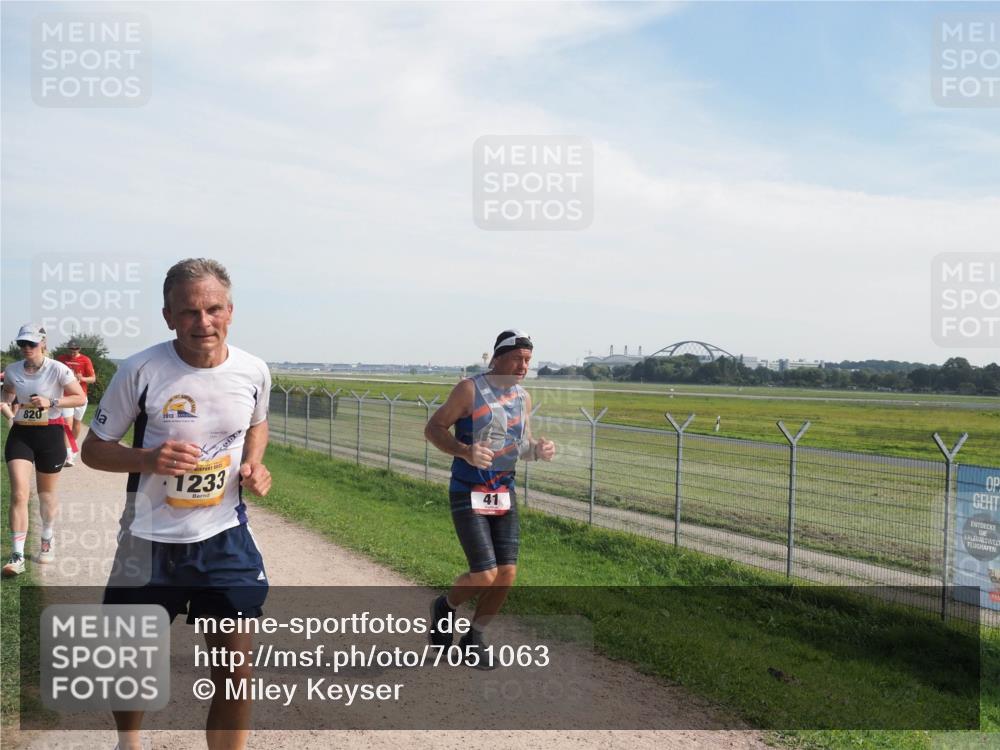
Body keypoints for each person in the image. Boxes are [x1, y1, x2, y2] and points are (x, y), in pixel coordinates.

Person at [81, 258, 272, 750]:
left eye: (213, 309)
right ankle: (130, 743)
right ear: (168, 316)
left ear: (230, 311)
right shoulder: (141, 370)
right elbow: (94, 449)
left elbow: (256, 423)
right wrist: (148, 457)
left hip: (224, 539)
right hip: (147, 541)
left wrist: (253, 464)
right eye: (188, 312)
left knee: (235, 669)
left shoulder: (253, 370)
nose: (202, 322)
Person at [423, 329, 555, 668]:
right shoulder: (470, 390)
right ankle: (446, 607)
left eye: (528, 359)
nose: (524, 365)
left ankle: (474, 637)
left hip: (503, 491)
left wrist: (537, 451)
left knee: (507, 574)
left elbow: (518, 446)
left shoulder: (522, 398)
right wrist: (465, 451)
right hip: (469, 490)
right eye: (517, 358)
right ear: (497, 357)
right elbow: (434, 429)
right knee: (484, 575)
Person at [2, 324, 86, 576]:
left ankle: (47, 538)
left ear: (43, 344)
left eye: (31, 344)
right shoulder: (13, 369)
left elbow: (80, 398)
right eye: (21, 344)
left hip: (50, 434)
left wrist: (53, 401)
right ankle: (17, 556)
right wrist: (8, 410)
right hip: (21, 435)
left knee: (46, 495)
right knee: (19, 493)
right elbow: (7, 393)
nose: (26, 348)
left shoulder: (58, 369)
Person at [56, 338, 96, 466]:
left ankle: (72, 448)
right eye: (71, 349)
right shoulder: (61, 359)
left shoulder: (85, 360)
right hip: (66, 396)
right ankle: (68, 454)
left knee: (77, 424)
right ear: (68, 349)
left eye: (76, 348)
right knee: (67, 424)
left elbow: (93, 379)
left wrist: (82, 378)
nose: (73, 351)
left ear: (80, 349)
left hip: (81, 396)